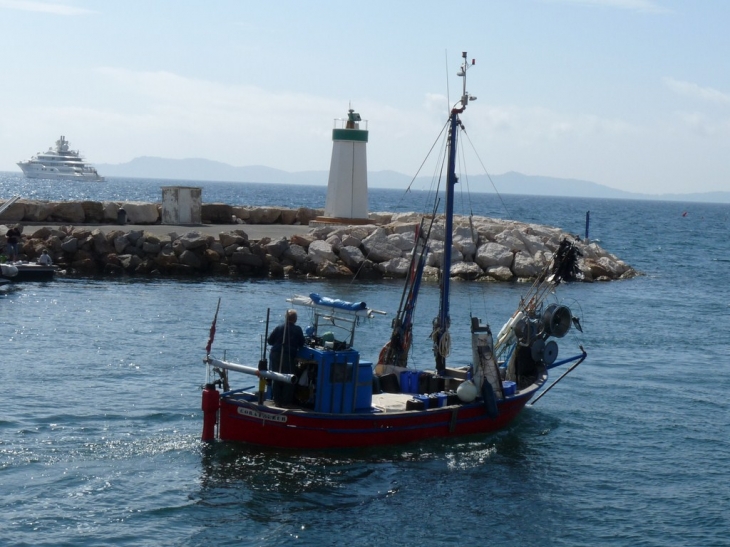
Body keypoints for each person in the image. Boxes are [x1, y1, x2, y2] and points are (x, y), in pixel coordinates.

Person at [267, 309, 305, 406]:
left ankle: (276, 400)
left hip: (275, 354)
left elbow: (270, 341)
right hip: (287, 355)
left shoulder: (279, 327)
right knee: (289, 377)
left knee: (276, 376)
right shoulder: (297, 329)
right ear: (295, 319)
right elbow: (302, 343)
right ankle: (286, 402)